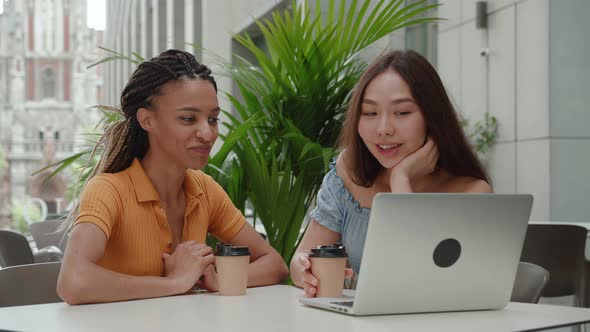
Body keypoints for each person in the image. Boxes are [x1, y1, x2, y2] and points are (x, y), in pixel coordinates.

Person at [57, 50, 288, 305]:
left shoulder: (204, 190)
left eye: (212, 119)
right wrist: (175, 283)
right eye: (188, 119)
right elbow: (73, 282)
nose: (207, 133)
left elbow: (274, 264)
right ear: (147, 120)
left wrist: (220, 280)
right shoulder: (108, 190)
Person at [290, 50, 493, 297]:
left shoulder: (471, 193)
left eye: (402, 113)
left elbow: (415, 285)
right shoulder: (347, 173)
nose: (383, 129)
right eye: (370, 113)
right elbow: (302, 258)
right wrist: (304, 270)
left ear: (432, 117)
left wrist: (401, 180)